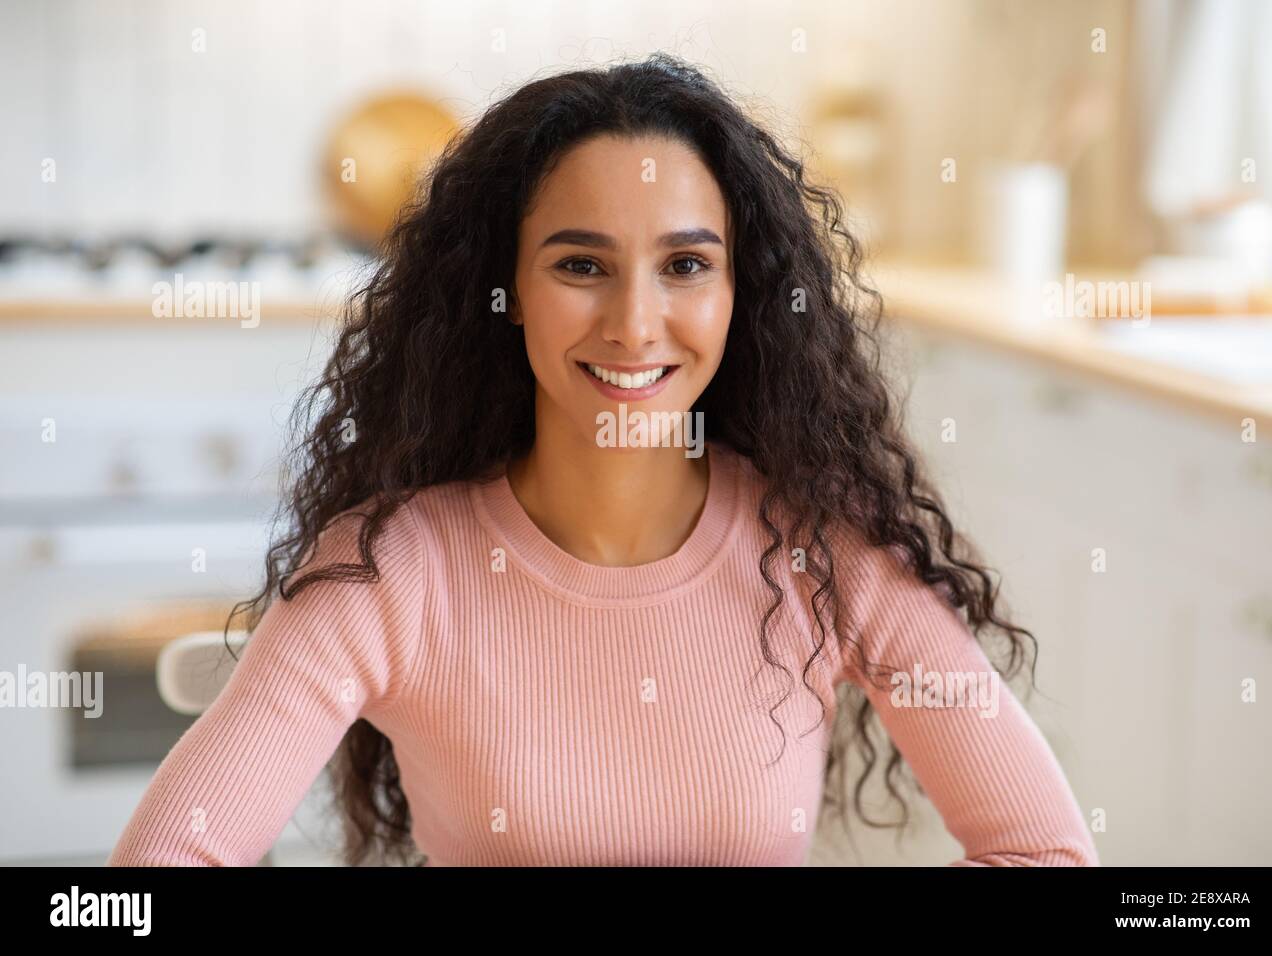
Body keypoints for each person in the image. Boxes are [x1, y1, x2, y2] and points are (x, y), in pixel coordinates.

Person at [107, 54, 1098, 867]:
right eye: (581, 265)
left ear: (737, 294)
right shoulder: (390, 574)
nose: (633, 324)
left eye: (685, 266)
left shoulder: (822, 553)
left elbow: (1047, 851)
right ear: (509, 293)